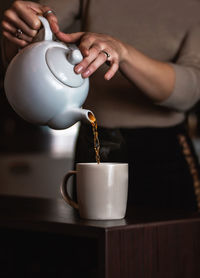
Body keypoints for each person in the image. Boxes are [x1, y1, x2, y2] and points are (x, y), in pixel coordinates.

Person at [2, 0, 200, 211]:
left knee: (169, 242)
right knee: (94, 241)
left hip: (165, 149)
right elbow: (34, 38)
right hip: (95, 141)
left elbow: (190, 91)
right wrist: (20, 30)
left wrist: (123, 53)